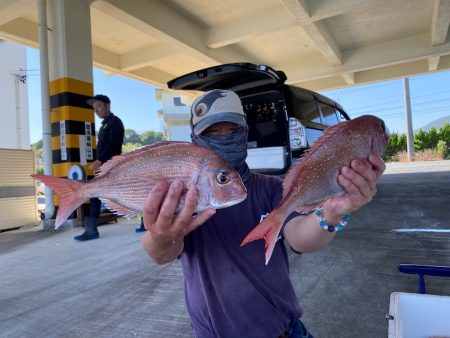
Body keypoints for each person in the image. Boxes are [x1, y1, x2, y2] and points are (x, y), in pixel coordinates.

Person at [141, 89, 386, 337]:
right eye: (212, 133)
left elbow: (300, 237)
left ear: (245, 133)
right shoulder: (184, 195)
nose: (224, 138)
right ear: (195, 140)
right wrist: (161, 236)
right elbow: (160, 254)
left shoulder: (271, 188)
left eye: (232, 130)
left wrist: (333, 213)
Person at [74, 94, 125, 241]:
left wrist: (100, 160)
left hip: (111, 165)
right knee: (99, 195)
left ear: (107, 106)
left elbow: (114, 145)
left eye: (99, 106)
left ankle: (91, 230)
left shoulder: (115, 122)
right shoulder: (105, 125)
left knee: (124, 193)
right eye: (94, 108)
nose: (96, 110)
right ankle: (91, 229)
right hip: (104, 165)